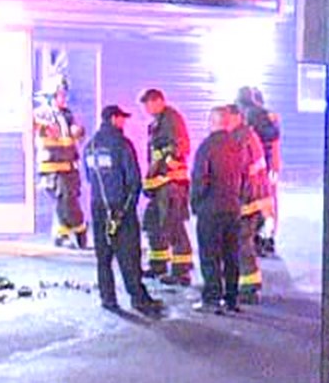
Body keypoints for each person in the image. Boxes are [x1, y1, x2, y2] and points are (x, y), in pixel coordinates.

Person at [83, 105, 165, 317]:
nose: (124, 123)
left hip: (98, 206)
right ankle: (139, 299)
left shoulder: (89, 146)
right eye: (122, 119)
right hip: (121, 206)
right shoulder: (121, 144)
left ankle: (108, 298)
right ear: (113, 119)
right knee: (129, 256)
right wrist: (129, 206)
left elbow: (88, 178)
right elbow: (133, 179)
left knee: (103, 256)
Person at [190, 104, 251, 313]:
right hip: (232, 209)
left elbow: (199, 179)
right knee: (231, 256)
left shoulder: (206, 147)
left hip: (210, 209)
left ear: (213, 122)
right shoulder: (238, 145)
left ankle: (212, 298)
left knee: (210, 255)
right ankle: (232, 299)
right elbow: (244, 177)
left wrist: (195, 203)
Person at [137, 87, 194, 285]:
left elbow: (180, 146)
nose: (146, 108)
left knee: (173, 224)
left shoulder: (171, 119)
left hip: (171, 183)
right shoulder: (157, 122)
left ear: (159, 101)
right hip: (159, 182)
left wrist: (168, 160)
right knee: (154, 223)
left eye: (148, 103)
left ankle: (182, 270)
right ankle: (158, 264)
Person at [33, 79, 88, 248]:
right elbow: (33, 125)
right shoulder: (42, 113)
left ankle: (66, 232)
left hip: (69, 165)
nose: (63, 98)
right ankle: (77, 230)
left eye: (64, 94)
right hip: (52, 167)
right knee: (64, 199)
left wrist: (78, 131)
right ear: (51, 96)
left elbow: (76, 132)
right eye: (60, 95)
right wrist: (44, 128)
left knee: (68, 200)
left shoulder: (67, 114)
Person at [235, 86, 281, 255]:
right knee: (267, 205)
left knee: (254, 204)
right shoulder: (268, 117)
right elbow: (274, 142)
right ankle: (266, 238)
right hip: (268, 168)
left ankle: (259, 238)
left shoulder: (249, 116)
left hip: (257, 168)